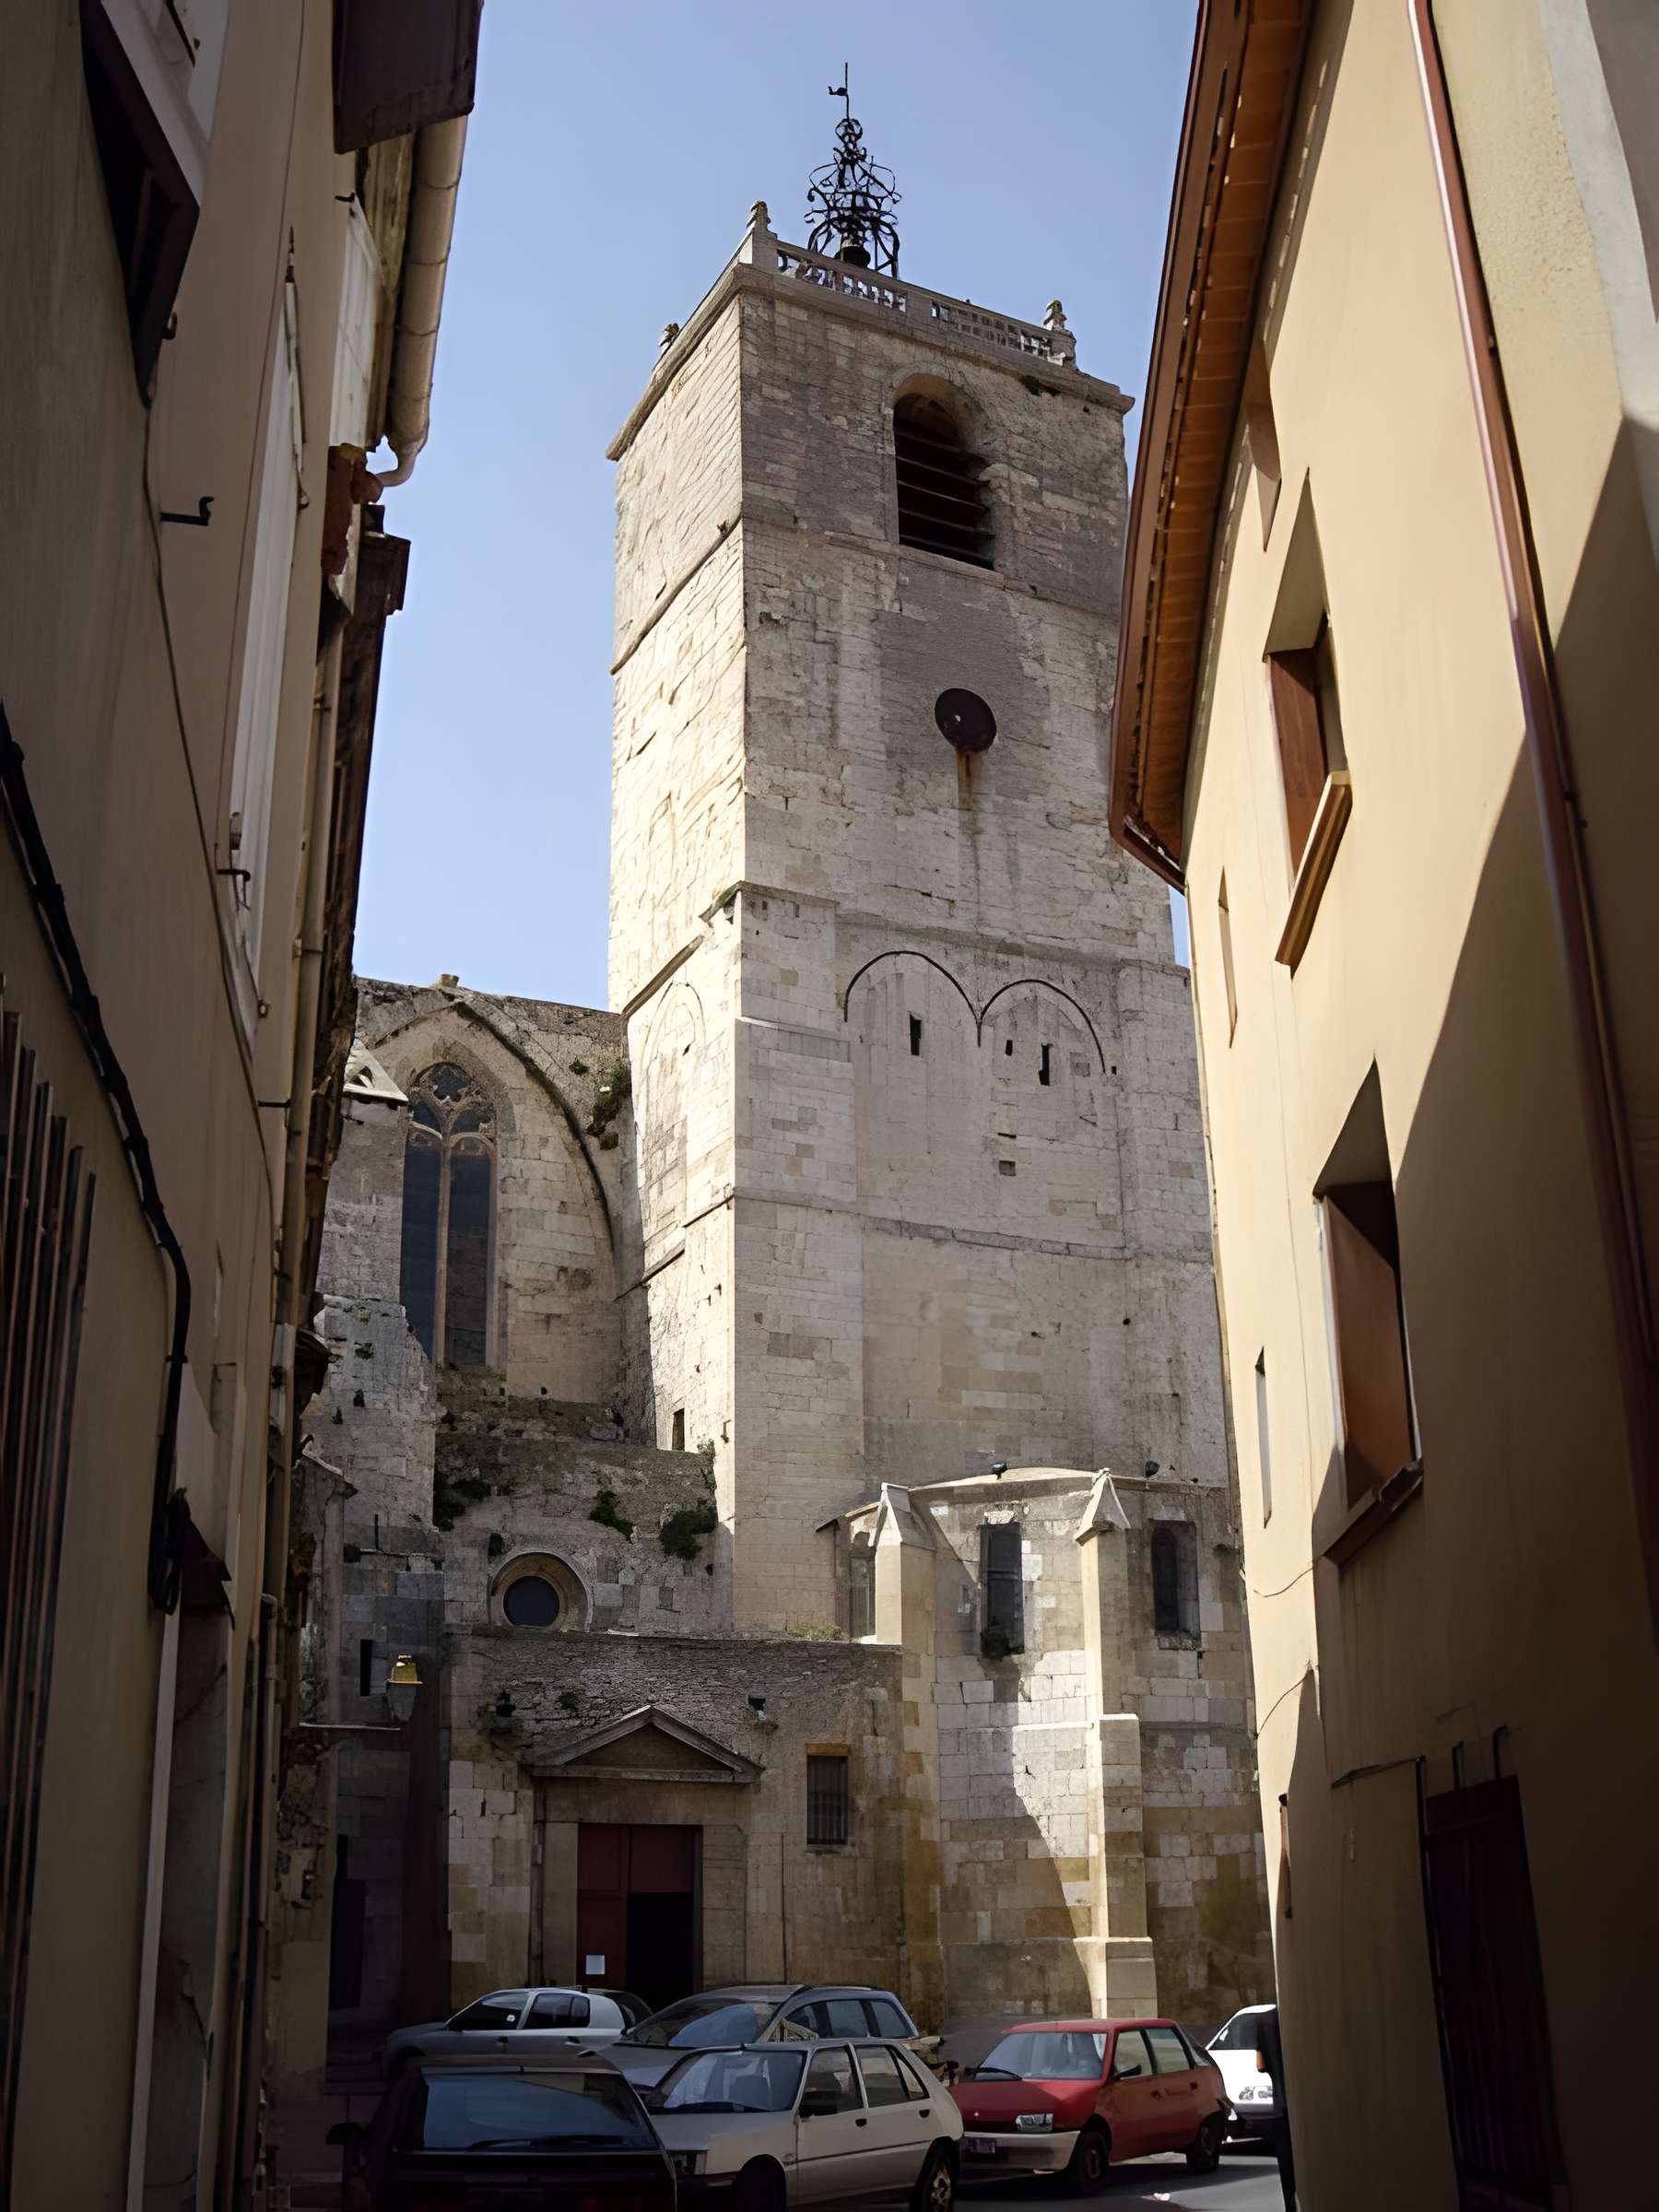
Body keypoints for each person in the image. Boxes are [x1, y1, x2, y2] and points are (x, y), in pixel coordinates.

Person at [1253, 2004, 1296, 2209]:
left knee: (1287, 2170)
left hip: (1280, 2104)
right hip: (1307, 2106)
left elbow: (1260, 2065)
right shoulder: (1305, 2015)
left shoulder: (1263, 2021)